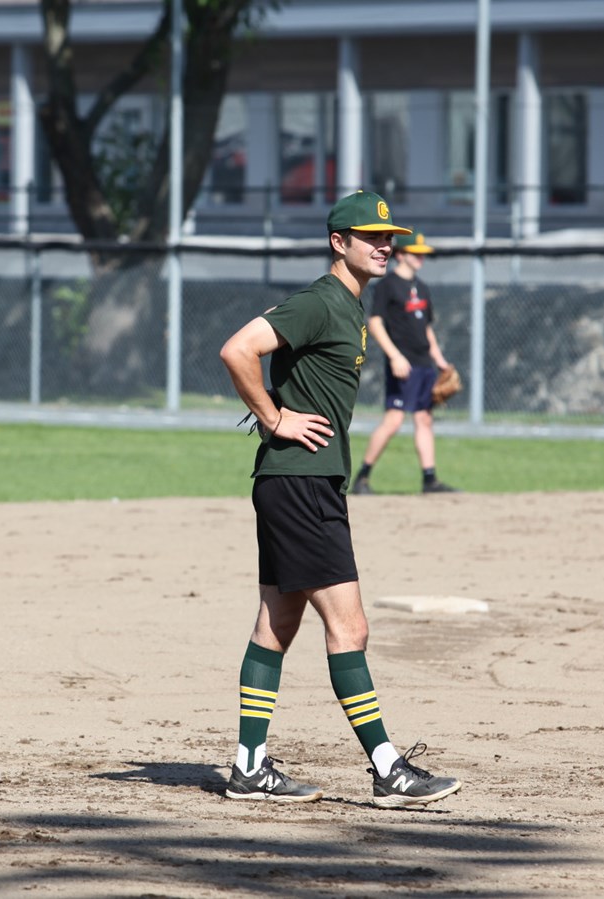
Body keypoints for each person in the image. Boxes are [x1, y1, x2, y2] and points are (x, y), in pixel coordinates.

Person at [217, 190, 462, 807]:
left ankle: (249, 768)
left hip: (299, 483)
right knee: (349, 627)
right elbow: (237, 350)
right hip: (299, 482)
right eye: (371, 236)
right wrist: (275, 420)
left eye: (389, 238)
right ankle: (388, 769)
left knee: (278, 622)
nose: (385, 245)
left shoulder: (348, 306)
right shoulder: (322, 302)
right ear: (338, 242)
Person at [351, 232, 458, 495]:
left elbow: (427, 328)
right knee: (394, 420)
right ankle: (362, 478)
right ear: (400, 255)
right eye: (415, 253)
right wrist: (394, 356)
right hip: (403, 363)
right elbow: (375, 323)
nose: (420, 258)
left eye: (422, 254)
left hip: (424, 363)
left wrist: (440, 361)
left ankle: (429, 479)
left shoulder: (421, 287)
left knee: (424, 419)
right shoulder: (388, 285)